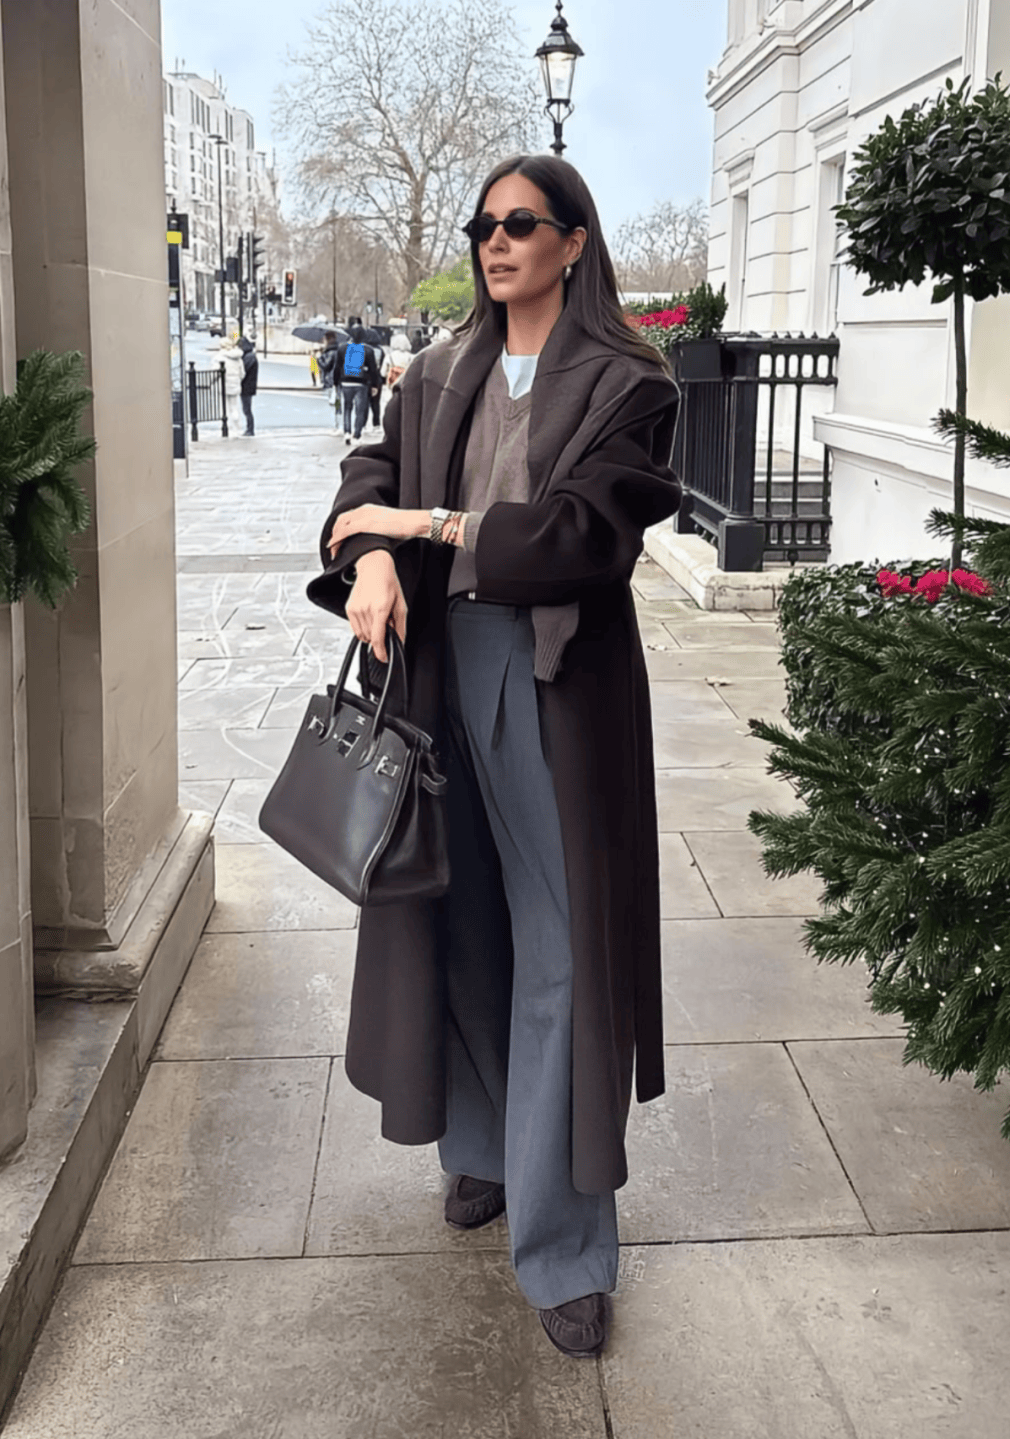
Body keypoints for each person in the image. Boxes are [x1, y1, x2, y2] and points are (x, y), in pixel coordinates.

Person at [307, 154, 680, 1359]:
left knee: (562, 945)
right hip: (435, 667)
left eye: (521, 222)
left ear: (574, 240)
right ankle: (482, 1148)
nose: (496, 240)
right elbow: (366, 477)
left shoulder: (630, 381)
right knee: (456, 915)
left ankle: (564, 1243)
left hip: (555, 678)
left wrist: (419, 524)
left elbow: (579, 537)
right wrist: (372, 554)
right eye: (484, 225)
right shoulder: (439, 368)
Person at [332, 333, 381, 444]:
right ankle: (357, 435)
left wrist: (336, 382)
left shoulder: (343, 348)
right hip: (361, 383)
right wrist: (374, 385)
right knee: (360, 410)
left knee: (347, 408)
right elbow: (373, 369)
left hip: (345, 382)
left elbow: (337, 367)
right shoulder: (368, 350)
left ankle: (347, 432)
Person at [218, 334, 244, 437]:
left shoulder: (220, 357)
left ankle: (227, 428)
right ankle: (237, 429)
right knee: (234, 407)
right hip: (235, 384)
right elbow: (242, 373)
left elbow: (215, 373)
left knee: (225, 408)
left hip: (224, 385)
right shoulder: (238, 358)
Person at [316, 331, 341, 430]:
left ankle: (337, 424)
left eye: (324, 339)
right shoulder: (337, 350)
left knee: (335, 403)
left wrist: (319, 359)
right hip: (337, 380)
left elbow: (325, 366)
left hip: (331, 380)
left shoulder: (331, 352)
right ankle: (338, 423)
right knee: (337, 402)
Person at [239, 336, 258, 436]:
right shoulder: (250, 356)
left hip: (247, 386)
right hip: (248, 386)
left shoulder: (249, 357)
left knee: (247, 409)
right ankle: (249, 429)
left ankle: (250, 429)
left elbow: (244, 370)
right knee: (246, 409)